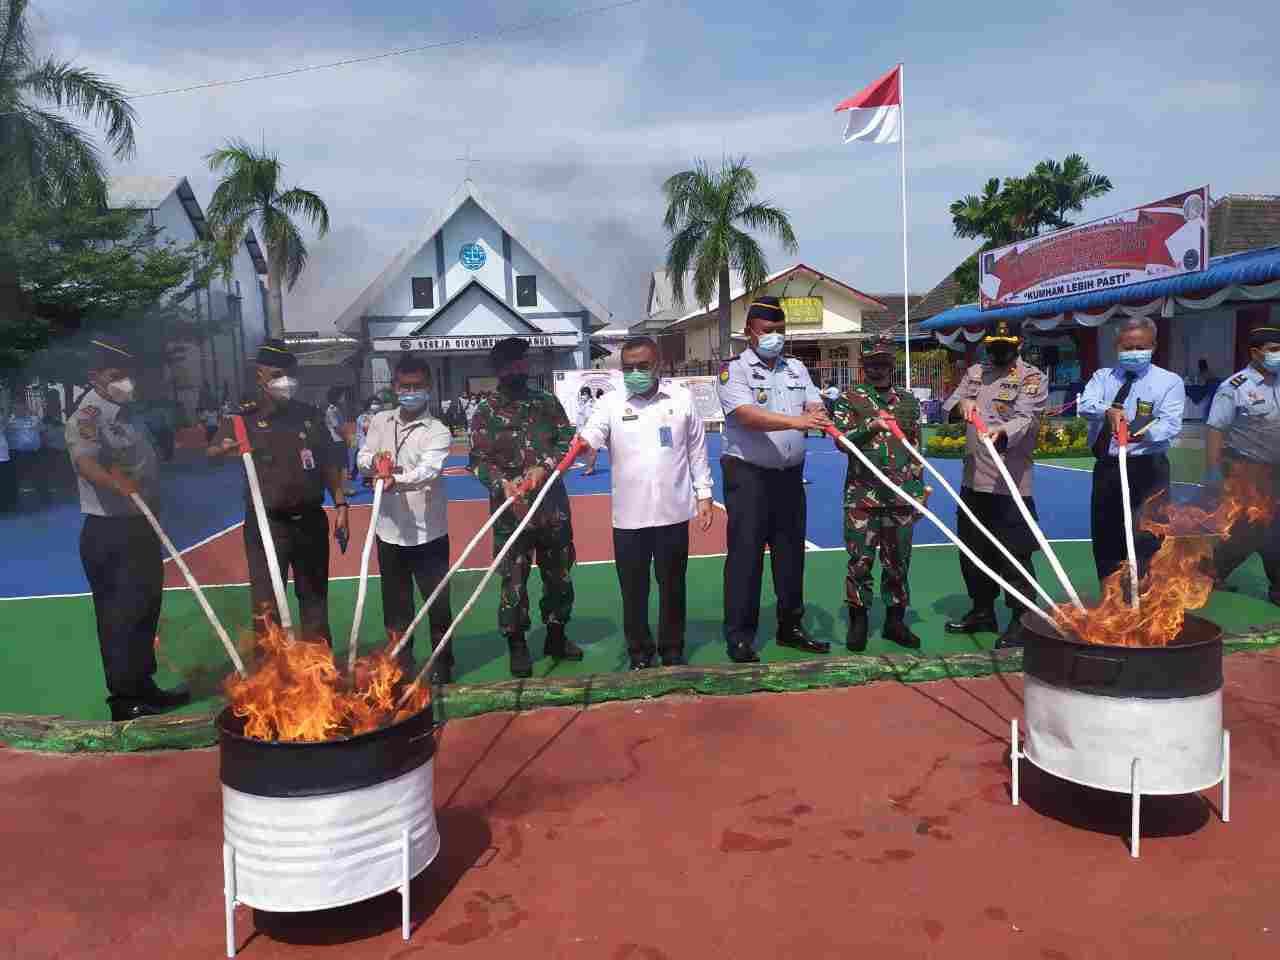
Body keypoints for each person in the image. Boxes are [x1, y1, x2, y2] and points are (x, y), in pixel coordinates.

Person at [65, 336, 189, 721]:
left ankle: (143, 685)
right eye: (116, 375)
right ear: (95, 376)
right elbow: (85, 463)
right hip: (111, 531)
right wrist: (116, 483)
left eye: (128, 374)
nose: (126, 382)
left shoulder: (128, 412)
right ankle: (123, 699)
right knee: (119, 616)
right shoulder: (88, 416)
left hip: (141, 527)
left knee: (145, 609)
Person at [580, 336, 714, 669]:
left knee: (673, 587)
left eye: (642, 366)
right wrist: (586, 444)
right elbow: (593, 434)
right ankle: (639, 650)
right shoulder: (610, 403)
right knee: (634, 591)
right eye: (628, 367)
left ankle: (672, 649)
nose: (635, 373)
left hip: (673, 512)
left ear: (658, 366)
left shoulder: (681, 399)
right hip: (629, 517)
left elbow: (697, 450)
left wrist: (705, 494)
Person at [209, 340, 349, 645]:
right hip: (268, 525)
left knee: (314, 599)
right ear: (259, 376)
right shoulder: (242, 420)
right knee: (267, 605)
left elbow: (328, 464)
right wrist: (223, 450)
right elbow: (212, 452)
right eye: (276, 374)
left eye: (288, 374)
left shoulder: (309, 415)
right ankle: (274, 678)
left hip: (311, 520)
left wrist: (341, 505)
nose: (284, 381)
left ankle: (318, 672)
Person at [716, 295, 832, 663]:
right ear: (750, 331)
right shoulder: (733, 370)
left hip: (789, 477)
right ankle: (739, 635)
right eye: (768, 331)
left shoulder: (796, 369)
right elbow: (747, 415)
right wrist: (799, 422)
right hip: (748, 476)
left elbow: (814, 404)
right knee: (746, 556)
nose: (775, 337)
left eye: (780, 331)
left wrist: (818, 411)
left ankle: (790, 626)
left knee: (790, 555)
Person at [469, 337, 581, 677]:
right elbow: (477, 459)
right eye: (509, 365)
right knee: (513, 581)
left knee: (559, 576)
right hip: (511, 514)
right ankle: (517, 644)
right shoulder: (485, 412)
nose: (517, 369)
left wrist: (544, 466)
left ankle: (556, 636)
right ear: (498, 370)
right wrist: (502, 484)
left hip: (551, 510)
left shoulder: (546, 402)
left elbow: (567, 440)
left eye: (521, 363)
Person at [941, 320, 1047, 649]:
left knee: (1015, 555)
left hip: (1010, 483)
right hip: (973, 480)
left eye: (1006, 344)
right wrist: (962, 406)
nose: (998, 350)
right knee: (974, 551)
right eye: (994, 344)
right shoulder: (975, 372)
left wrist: (1003, 432)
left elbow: (1026, 418)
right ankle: (982, 610)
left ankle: (1022, 619)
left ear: (1018, 344)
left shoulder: (1031, 377)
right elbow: (950, 406)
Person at [356, 356, 455, 680]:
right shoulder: (380, 421)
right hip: (389, 532)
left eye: (417, 387)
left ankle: (443, 664)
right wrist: (375, 463)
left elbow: (429, 470)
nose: (410, 392)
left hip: (429, 535)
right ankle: (402, 663)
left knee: (436, 603)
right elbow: (362, 457)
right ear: (395, 387)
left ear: (428, 388)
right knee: (396, 608)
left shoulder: (438, 430)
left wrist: (396, 479)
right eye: (404, 386)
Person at [833, 334, 925, 651]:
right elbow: (841, 441)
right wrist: (870, 425)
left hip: (900, 497)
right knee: (860, 561)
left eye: (883, 363)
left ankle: (894, 622)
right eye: (872, 363)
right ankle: (859, 621)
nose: (877, 369)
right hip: (863, 497)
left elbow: (916, 449)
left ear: (892, 365)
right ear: (864, 365)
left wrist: (919, 492)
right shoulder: (851, 398)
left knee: (898, 561)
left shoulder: (908, 401)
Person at [1079, 316, 1185, 587]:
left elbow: (1171, 423)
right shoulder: (1102, 377)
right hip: (1109, 468)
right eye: (1127, 347)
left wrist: (1143, 432)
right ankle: (1111, 599)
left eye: (1141, 347)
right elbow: (1086, 405)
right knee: (1106, 533)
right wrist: (1108, 411)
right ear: (1117, 346)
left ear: (1154, 345)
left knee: (1149, 534)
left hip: (1148, 467)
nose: (1134, 353)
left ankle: (1146, 598)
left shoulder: (1169, 381)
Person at [1205, 326, 1280, 606]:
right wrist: (1213, 472)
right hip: (1245, 469)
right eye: (1273, 349)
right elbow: (1215, 428)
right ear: (1255, 353)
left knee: (1258, 530)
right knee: (1257, 529)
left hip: (1277, 469)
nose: (1277, 355)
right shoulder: (1234, 387)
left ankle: (1213, 571)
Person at [325, 388, 358, 497]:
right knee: (342, 466)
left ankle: (341, 488)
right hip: (337, 441)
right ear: (336, 397)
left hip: (337, 440)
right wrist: (346, 438)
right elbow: (337, 428)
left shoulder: (337, 409)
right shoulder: (332, 410)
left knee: (341, 465)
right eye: (341, 396)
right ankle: (343, 489)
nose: (343, 398)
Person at [575, 386, 600, 476]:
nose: (582, 396)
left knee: (591, 450)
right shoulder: (582, 403)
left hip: (588, 430)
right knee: (584, 451)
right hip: (581, 430)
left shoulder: (590, 405)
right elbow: (579, 418)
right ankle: (589, 467)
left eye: (584, 394)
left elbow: (589, 418)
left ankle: (590, 469)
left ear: (588, 394)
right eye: (582, 394)